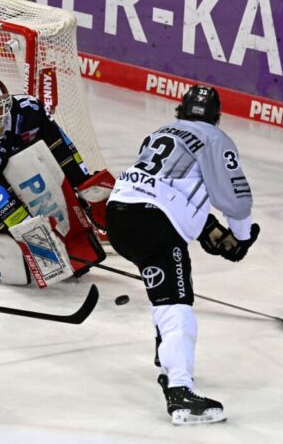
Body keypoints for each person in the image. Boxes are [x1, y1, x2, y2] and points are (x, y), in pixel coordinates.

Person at [105, 85, 259, 425]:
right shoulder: (215, 139)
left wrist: (207, 229)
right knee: (176, 304)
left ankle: (168, 359)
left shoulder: (160, 133)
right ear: (217, 116)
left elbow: (170, 189)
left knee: (166, 295)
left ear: (180, 111)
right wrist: (242, 237)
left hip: (119, 217)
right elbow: (235, 199)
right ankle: (180, 393)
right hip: (154, 223)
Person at [0, 70, 105, 234]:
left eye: (4, 105)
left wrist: (84, 185)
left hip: (7, 172)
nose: (2, 113)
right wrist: (26, 227)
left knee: (33, 160)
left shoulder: (28, 109)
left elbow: (61, 146)